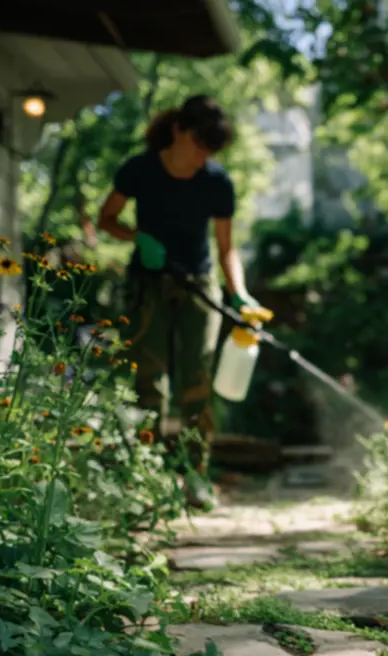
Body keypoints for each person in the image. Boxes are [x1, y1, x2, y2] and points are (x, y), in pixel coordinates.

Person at [96, 94, 270, 511]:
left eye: (210, 151)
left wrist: (239, 292)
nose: (201, 158)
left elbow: (226, 248)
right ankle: (145, 477)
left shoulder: (217, 182)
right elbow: (106, 219)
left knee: (198, 379)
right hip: (148, 282)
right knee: (148, 381)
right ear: (178, 130)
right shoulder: (139, 170)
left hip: (198, 284)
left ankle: (195, 474)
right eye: (198, 145)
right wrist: (137, 237)